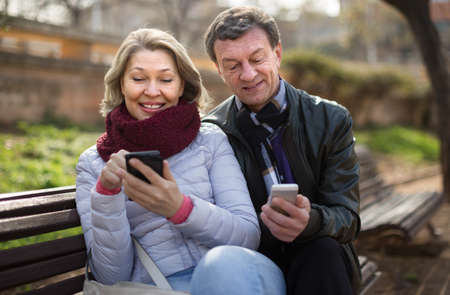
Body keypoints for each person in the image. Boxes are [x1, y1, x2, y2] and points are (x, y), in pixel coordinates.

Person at [75, 28, 285, 294]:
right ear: (120, 84)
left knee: (221, 266)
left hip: (237, 274)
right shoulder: (94, 164)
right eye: (139, 78)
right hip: (159, 288)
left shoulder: (209, 141)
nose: (152, 91)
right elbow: (110, 275)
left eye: (165, 79)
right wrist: (107, 194)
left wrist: (179, 208)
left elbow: (247, 236)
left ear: (182, 85)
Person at [202, 6, 361, 295]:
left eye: (256, 58)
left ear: (277, 54)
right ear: (219, 70)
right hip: (253, 257)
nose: (248, 75)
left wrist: (310, 221)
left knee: (322, 251)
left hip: (319, 256)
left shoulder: (330, 119)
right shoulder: (211, 132)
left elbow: (347, 218)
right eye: (233, 65)